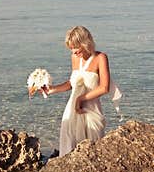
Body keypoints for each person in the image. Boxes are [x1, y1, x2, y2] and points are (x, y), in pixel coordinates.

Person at [45, 25, 120, 156]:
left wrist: (81, 99)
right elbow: (71, 83)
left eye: (76, 48)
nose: (74, 52)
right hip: (72, 110)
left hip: (90, 110)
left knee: (94, 150)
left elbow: (104, 87)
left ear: (86, 43)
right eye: (71, 49)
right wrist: (52, 89)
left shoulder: (100, 58)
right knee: (69, 147)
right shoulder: (75, 57)